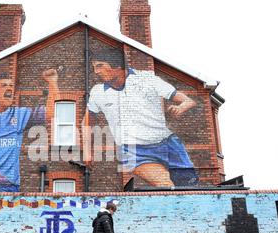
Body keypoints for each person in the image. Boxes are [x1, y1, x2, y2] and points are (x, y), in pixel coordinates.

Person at [84, 48, 199, 187]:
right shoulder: (97, 92)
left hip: (168, 144)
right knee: (166, 186)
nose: (96, 72)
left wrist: (180, 108)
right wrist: (87, 151)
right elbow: (87, 122)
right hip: (134, 152)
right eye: (94, 67)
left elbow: (188, 101)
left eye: (100, 66)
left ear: (117, 65)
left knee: (188, 187)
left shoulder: (147, 79)